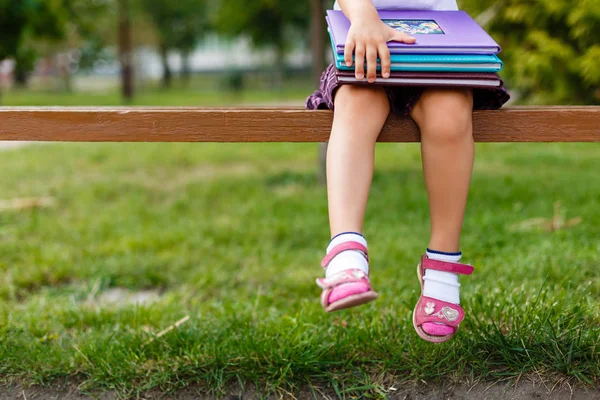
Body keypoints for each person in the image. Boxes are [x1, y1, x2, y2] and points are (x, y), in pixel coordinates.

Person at [306, 0, 509, 343]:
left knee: (450, 116)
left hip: (439, 53)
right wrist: (363, 16)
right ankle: (346, 250)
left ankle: (443, 261)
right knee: (356, 103)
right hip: (365, 45)